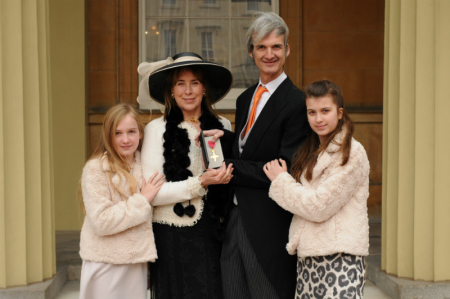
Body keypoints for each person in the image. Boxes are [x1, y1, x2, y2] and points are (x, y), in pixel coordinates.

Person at [201, 12, 309, 299]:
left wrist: (230, 166)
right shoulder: (245, 98)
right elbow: (256, 146)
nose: (269, 54)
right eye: (261, 47)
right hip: (234, 216)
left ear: (287, 50)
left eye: (276, 46)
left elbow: (284, 167)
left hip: (268, 225)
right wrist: (230, 139)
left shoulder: (297, 102)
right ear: (251, 52)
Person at [137, 52, 235, 299]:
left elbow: (226, 176)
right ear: (171, 90)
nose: (188, 90)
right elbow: (153, 194)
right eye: (180, 83)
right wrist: (200, 183)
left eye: (195, 83)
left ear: (204, 88)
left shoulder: (222, 125)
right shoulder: (156, 129)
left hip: (214, 232)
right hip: (172, 235)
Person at [264, 80, 370, 299]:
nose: (318, 119)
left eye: (325, 111)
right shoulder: (312, 150)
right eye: (312, 112)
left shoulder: (352, 153)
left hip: (341, 258)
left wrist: (281, 181)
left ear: (340, 113)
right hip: (310, 258)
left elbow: (319, 206)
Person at [79, 103, 165, 299]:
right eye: (117, 133)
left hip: (137, 263)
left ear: (140, 133)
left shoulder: (148, 165)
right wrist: (142, 200)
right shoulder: (96, 169)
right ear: (108, 135)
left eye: (131, 132)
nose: (125, 139)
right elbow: (102, 221)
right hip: (105, 263)